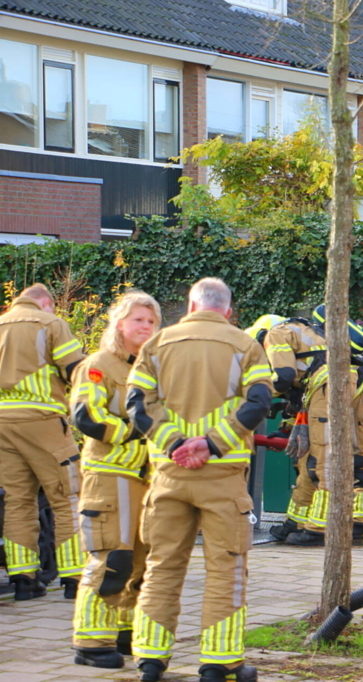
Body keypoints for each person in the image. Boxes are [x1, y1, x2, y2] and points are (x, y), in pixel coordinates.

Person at [127, 278, 272, 682]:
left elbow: (137, 404)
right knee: (226, 568)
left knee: (162, 566)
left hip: (169, 477)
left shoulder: (157, 345)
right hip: (222, 479)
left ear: (191, 307)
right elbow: (260, 402)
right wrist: (212, 444)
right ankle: (218, 664)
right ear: (227, 310)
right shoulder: (246, 345)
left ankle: (151, 663)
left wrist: (175, 443)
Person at [70, 291, 161, 669]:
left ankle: (123, 635)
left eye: (152, 322)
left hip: (148, 477)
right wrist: (137, 429)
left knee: (141, 562)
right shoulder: (99, 365)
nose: (146, 327)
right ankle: (90, 643)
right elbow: (86, 416)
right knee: (111, 559)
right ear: (120, 323)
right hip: (110, 475)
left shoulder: (153, 369)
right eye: (139, 320)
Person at [0, 283, 87, 600]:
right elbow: (76, 370)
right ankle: (74, 578)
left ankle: (23, 582)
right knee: (67, 496)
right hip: (44, 423)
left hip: (3, 424)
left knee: (17, 501)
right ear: (46, 303)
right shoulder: (50, 323)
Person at [286, 305, 363, 545]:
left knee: (324, 457)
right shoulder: (314, 342)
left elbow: (283, 377)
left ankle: (329, 526)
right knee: (350, 456)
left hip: (339, 381)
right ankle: (302, 521)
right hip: (353, 381)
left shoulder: (285, 337)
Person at [246, 314, 325, 541]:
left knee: (314, 461)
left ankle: (315, 529)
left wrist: (252, 394)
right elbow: (300, 397)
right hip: (322, 393)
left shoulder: (275, 334)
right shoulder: (306, 340)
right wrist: (285, 428)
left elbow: (283, 377)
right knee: (307, 460)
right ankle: (296, 523)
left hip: (324, 393)